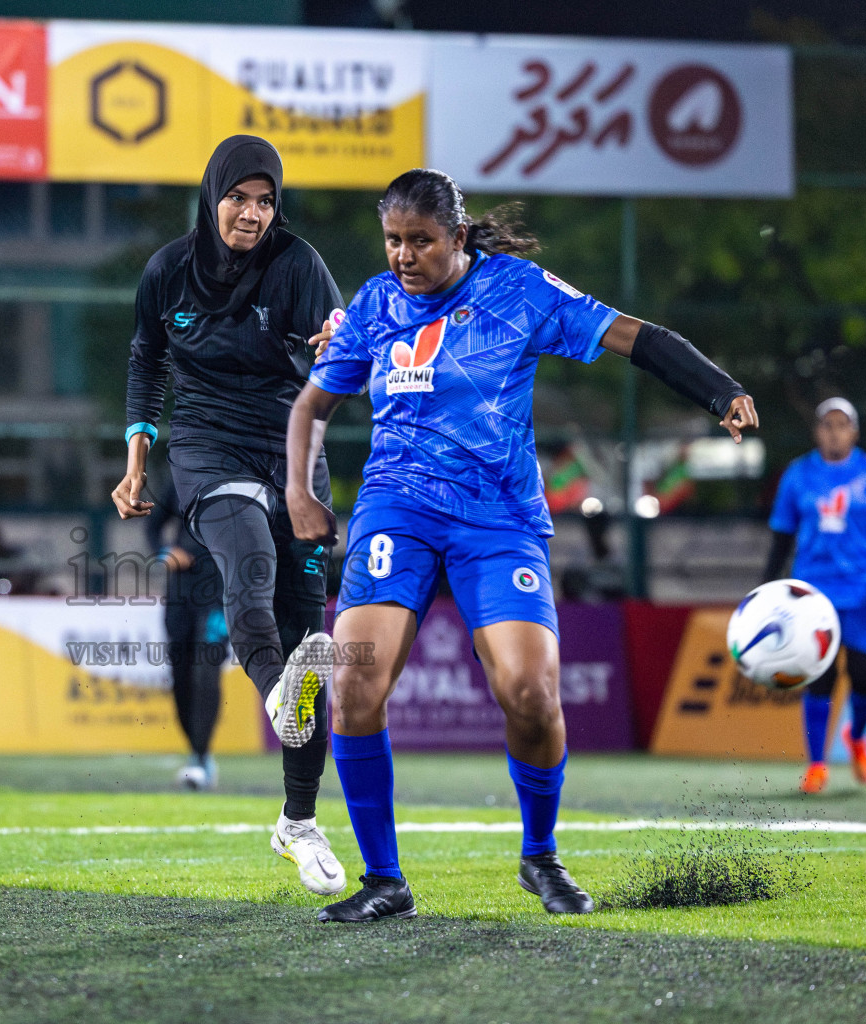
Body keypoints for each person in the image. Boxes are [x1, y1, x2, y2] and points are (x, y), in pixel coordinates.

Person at [285, 169, 758, 922]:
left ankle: (540, 857)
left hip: (498, 519)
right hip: (395, 509)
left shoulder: (520, 292)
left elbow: (631, 336)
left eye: (421, 241)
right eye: (393, 240)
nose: (403, 256)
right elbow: (312, 405)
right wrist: (300, 491)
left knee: (532, 696)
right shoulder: (373, 304)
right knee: (353, 687)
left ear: (459, 238)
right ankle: (385, 881)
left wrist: (715, 386)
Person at [114, 134, 347, 896]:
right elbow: (147, 357)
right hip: (209, 451)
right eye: (238, 197)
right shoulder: (168, 271)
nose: (251, 213)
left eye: (265, 200)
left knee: (311, 643)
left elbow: (340, 355)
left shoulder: (299, 263)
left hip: (293, 453)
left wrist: (339, 346)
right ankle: (283, 703)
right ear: (212, 195)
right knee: (250, 572)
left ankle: (299, 823)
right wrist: (138, 463)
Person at [764, 396, 866, 795]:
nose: (834, 432)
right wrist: (767, 586)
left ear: (855, 431)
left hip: (865, 593)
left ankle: (857, 737)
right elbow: (781, 537)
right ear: (817, 431)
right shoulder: (798, 475)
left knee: (865, 677)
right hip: (813, 595)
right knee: (819, 677)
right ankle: (816, 764)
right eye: (827, 425)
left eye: (841, 425)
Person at [146, 477, 228, 790]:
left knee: (206, 672)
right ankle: (198, 754)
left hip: (220, 592)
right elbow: (152, 526)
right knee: (180, 677)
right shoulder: (179, 474)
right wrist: (164, 551)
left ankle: (200, 758)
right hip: (180, 592)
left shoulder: (239, 470)